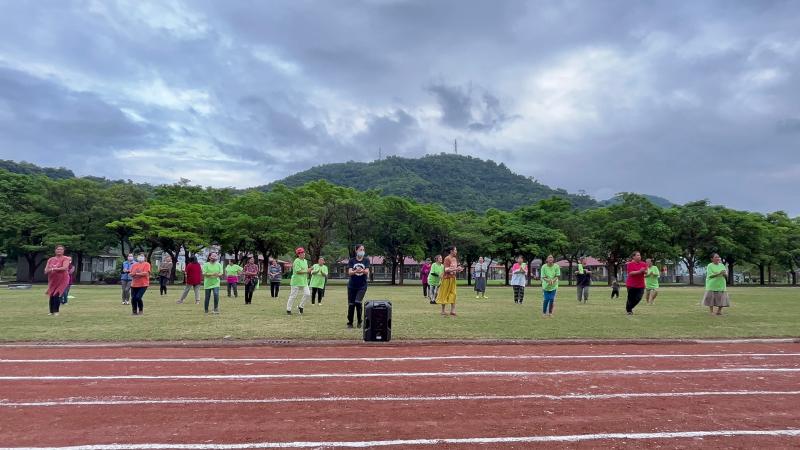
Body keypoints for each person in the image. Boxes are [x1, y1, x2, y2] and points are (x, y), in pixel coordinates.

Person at [347, 244, 370, 328]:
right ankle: (350, 322)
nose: (362, 251)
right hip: (352, 286)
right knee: (351, 304)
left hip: (362, 286)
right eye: (360, 249)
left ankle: (360, 321)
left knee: (358, 302)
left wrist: (362, 270)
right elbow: (349, 272)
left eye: (363, 249)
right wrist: (355, 270)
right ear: (356, 251)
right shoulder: (352, 260)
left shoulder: (366, 260)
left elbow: (367, 271)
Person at [436, 246, 463, 316]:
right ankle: (443, 311)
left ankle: (453, 311)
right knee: (444, 293)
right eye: (455, 250)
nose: (456, 251)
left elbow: (455, 269)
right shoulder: (447, 258)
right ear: (451, 251)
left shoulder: (454, 259)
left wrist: (459, 269)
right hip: (446, 279)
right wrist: (456, 269)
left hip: (453, 278)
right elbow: (446, 269)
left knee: (453, 294)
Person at [44, 245, 70, 316]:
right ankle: (51, 311)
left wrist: (53, 269)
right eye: (58, 249)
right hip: (53, 280)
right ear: (55, 250)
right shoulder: (50, 259)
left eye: (61, 249)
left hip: (62, 279)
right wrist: (47, 271)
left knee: (56, 294)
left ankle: (56, 311)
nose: (59, 251)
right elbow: (46, 270)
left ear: (63, 251)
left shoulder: (65, 258)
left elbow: (64, 268)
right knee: (51, 294)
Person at [287, 247, 310, 315]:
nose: (303, 254)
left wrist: (311, 269)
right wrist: (307, 271)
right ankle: (288, 309)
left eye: (303, 252)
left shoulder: (305, 261)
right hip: (296, 281)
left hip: (304, 281)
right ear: (298, 254)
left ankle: (301, 306)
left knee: (307, 294)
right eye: (301, 253)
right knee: (293, 296)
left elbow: (305, 270)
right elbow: (298, 271)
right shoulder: (296, 261)